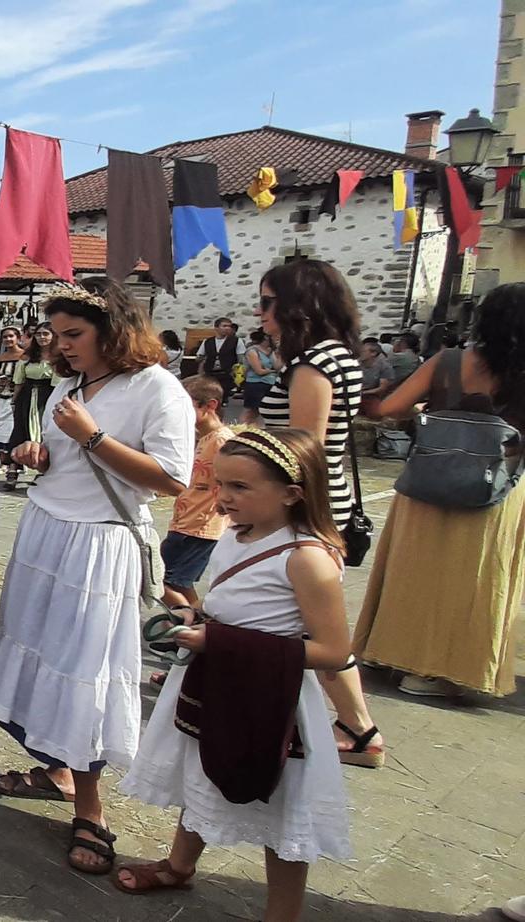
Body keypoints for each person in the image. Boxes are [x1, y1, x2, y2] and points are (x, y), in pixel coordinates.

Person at [0, 280, 193, 875]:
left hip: (99, 544)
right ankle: (58, 768)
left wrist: (93, 437)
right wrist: (40, 454)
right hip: (46, 531)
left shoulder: (158, 389)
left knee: (85, 671)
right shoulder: (68, 386)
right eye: (57, 335)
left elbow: (172, 479)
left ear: (113, 330)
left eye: (74, 334)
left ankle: (93, 808)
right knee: (44, 656)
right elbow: (65, 457)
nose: (63, 346)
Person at [115, 428, 354, 922]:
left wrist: (220, 641)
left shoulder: (307, 558)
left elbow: (332, 650)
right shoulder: (238, 535)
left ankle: (281, 914)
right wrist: (195, 621)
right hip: (216, 684)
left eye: (241, 488)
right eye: (221, 484)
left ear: (292, 493)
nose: (223, 498)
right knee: (202, 771)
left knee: (282, 813)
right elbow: (230, 608)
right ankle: (180, 866)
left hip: (270, 701)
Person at [353, 284, 525, 701]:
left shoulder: (448, 360)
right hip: (497, 487)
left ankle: (393, 653)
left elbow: (393, 408)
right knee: (476, 580)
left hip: (430, 478)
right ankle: (442, 670)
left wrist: (433, 411)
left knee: (413, 571)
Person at [252, 258, 383, 768]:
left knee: (311, 622)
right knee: (311, 620)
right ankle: (355, 723)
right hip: (318, 504)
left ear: (296, 306)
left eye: (268, 302)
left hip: (302, 508)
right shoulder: (335, 356)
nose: (261, 313)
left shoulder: (314, 363)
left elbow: (302, 447)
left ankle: (358, 725)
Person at [159, 376, 234, 612]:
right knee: (173, 581)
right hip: (185, 521)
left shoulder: (222, 441)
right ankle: (190, 621)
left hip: (202, 526)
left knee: (164, 581)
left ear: (209, 406)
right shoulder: (202, 438)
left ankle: (191, 624)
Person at [4, 324, 57, 490]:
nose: (42, 337)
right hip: (26, 397)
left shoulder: (58, 358)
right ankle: (12, 470)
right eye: (39, 334)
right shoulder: (27, 357)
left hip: (47, 396)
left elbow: (58, 384)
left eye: (46, 334)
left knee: (44, 432)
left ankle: (42, 471)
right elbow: (19, 381)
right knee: (20, 430)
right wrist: (14, 401)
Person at [0, 327, 23, 481]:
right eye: (5, 337)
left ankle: (16, 463)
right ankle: (4, 463)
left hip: (17, 397)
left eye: (11, 336)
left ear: (18, 337)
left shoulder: (24, 357)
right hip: (0, 397)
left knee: (13, 429)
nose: (8, 340)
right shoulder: (0, 358)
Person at [191, 317, 240, 407]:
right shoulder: (208, 341)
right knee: (210, 394)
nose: (227, 328)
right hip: (210, 372)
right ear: (216, 328)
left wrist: (237, 373)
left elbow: (241, 358)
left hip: (227, 372)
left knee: (222, 395)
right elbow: (199, 357)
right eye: (224, 326)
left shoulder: (236, 341)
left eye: (229, 326)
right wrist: (201, 360)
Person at [241, 329, 281, 426]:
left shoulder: (271, 351)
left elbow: (277, 366)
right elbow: (259, 371)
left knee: (264, 411)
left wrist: (279, 352)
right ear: (266, 337)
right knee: (252, 411)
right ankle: (243, 428)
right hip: (256, 384)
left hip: (270, 383)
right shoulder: (252, 351)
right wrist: (272, 371)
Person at [356, 338, 395, 418]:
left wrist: (363, 393)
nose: (360, 353)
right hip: (353, 392)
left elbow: (382, 388)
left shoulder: (384, 366)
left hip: (369, 394)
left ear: (373, 353)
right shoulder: (355, 363)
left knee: (376, 414)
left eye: (363, 351)